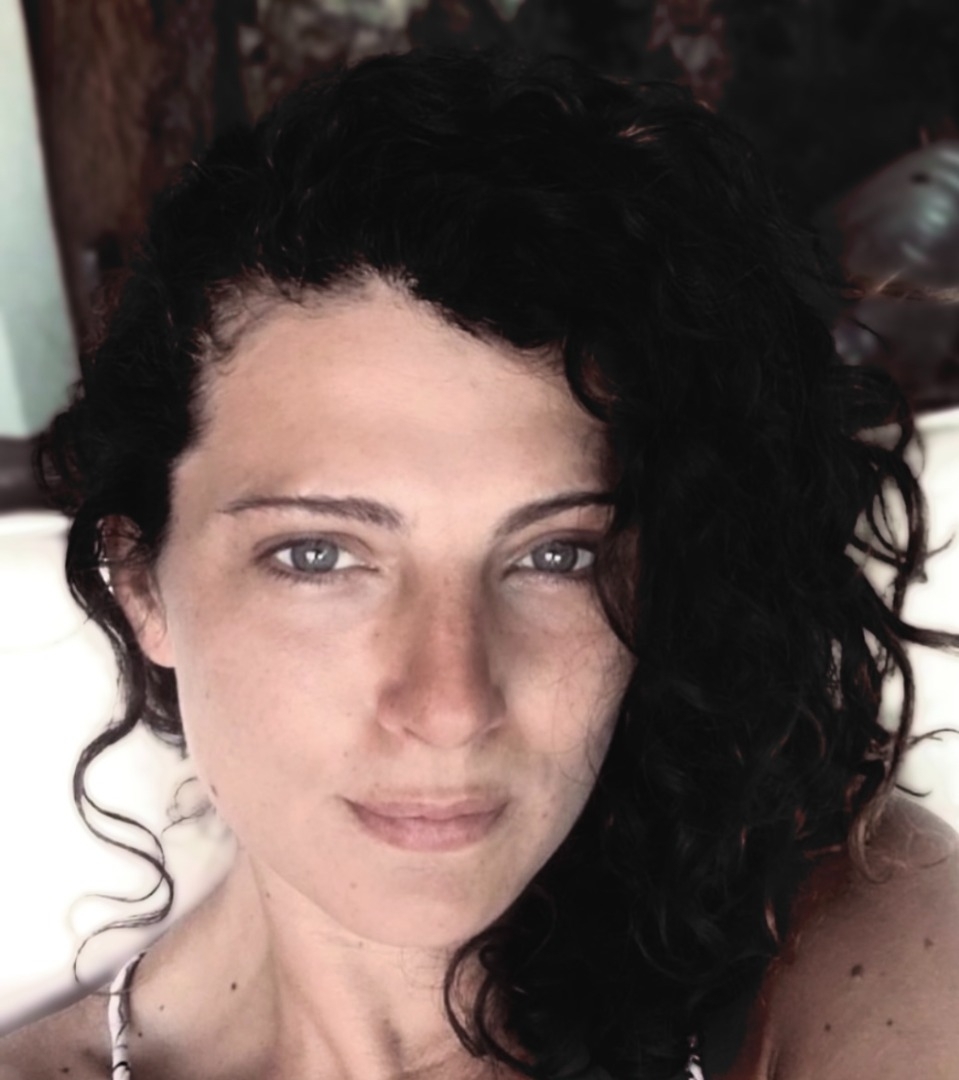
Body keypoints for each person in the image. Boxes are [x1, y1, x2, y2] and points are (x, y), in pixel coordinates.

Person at [3, 46, 959, 1080]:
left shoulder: (838, 944)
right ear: (142, 584)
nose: (451, 706)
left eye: (554, 554)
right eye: (317, 554)